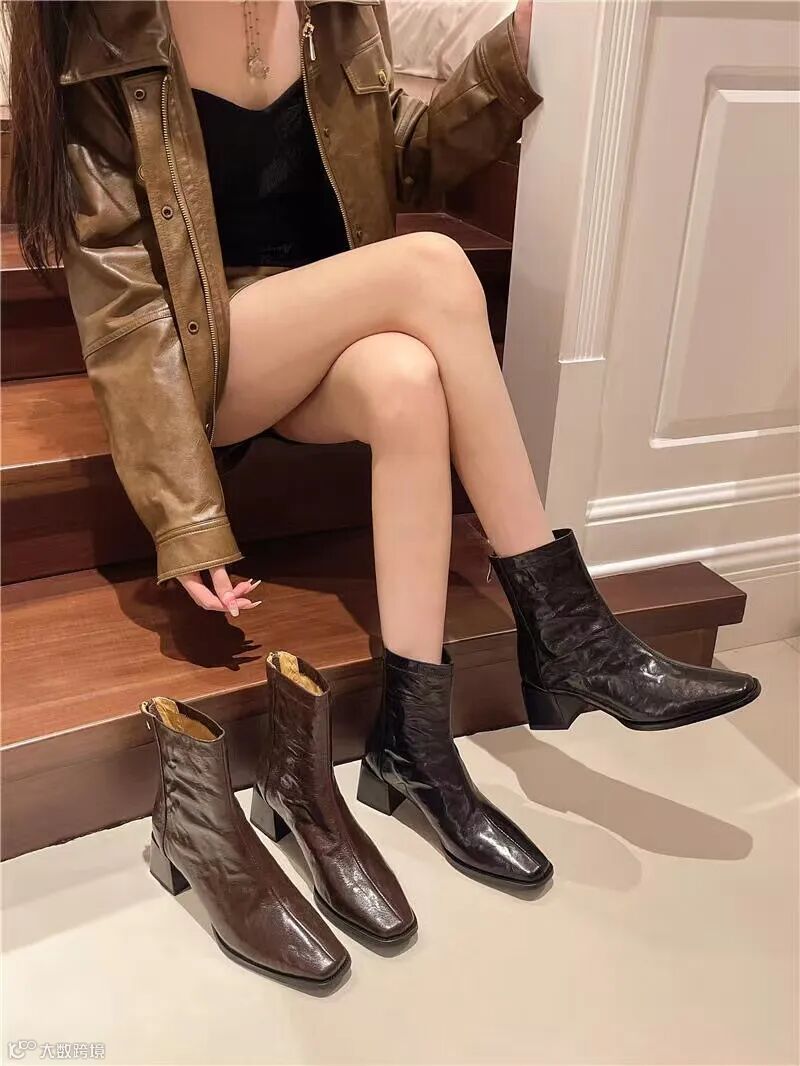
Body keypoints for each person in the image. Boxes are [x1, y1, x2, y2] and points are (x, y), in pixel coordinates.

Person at [6, 0, 760, 954]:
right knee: (434, 265)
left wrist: (510, 55)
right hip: (202, 353)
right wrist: (184, 514)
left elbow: (399, 160)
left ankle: (416, 741)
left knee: (407, 380)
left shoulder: (332, 10)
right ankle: (567, 630)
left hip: (320, 326)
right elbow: (122, 306)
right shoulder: (107, 27)